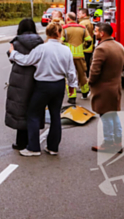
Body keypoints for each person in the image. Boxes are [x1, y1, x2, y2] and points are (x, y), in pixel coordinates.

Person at [8, 23, 78, 156]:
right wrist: (72, 86)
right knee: (55, 115)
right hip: (59, 85)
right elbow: (71, 71)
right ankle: (53, 147)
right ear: (60, 34)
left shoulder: (42, 48)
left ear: (47, 33)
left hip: (43, 86)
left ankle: (33, 148)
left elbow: (26, 60)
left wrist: (13, 53)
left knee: (33, 114)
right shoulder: (66, 50)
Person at [5, 18, 44, 150]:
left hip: (19, 79)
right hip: (36, 78)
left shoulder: (16, 42)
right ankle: (32, 141)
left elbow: (11, 58)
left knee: (19, 109)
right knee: (34, 110)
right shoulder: (40, 42)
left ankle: (20, 142)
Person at [89, 23, 124, 153]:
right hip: (116, 87)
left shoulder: (101, 49)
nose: (94, 33)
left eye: (96, 31)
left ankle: (109, 143)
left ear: (102, 33)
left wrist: (90, 82)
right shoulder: (120, 46)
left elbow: (94, 71)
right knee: (113, 115)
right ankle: (118, 142)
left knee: (105, 116)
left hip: (104, 89)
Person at [61, 12, 92, 103]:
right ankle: (85, 92)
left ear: (68, 19)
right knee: (82, 74)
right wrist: (83, 47)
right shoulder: (82, 28)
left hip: (68, 56)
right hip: (80, 55)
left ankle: (72, 97)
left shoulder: (64, 29)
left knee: (69, 76)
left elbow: (61, 41)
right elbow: (89, 40)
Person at [77, 7, 95, 73]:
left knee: (83, 67)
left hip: (85, 48)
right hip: (88, 48)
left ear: (84, 14)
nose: (77, 15)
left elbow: (82, 36)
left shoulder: (83, 23)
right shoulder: (87, 22)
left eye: (79, 13)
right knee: (87, 65)